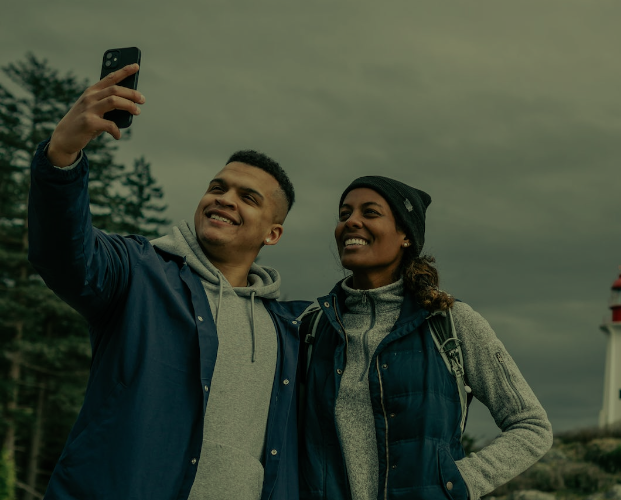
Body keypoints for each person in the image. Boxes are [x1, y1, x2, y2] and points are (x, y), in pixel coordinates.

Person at [27, 64, 309, 500]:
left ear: (272, 234)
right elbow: (64, 254)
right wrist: (61, 155)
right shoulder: (137, 271)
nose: (223, 198)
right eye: (218, 186)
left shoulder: (291, 331)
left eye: (247, 198)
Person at [298, 176, 553, 500]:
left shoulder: (450, 322)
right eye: (344, 213)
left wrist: (455, 484)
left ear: (406, 235)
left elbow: (532, 426)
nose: (352, 222)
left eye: (370, 212)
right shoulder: (313, 327)